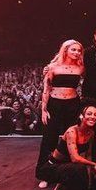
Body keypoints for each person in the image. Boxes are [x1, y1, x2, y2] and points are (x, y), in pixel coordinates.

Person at [36, 104, 96, 190]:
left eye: (95, 115)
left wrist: (90, 175)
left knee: (92, 185)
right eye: (89, 114)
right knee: (78, 168)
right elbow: (75, 158)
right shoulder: (72, 131)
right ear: (82, 116)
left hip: (67, 166)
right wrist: (93, 164)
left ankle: (63, 185)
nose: (92, 117)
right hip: (51, 167)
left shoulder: (91, 132)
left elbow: (88, 154)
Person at [37, 39, 85, 177]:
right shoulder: (52, 67)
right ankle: (44, 173)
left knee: (71, 138)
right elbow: (46, 89)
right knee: (49, 138)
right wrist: (44, 110)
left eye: (79, 50)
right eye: (73, 50)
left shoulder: (81, 67)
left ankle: (68, 172)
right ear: (65, 50)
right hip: (54, 104)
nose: (76, 53)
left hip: (73, 105)